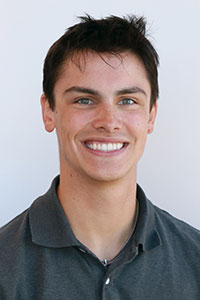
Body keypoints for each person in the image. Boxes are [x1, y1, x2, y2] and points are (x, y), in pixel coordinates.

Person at [0, 15, 199, 300]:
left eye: (127, 100)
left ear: (151, 115)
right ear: (49, 111)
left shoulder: (195, 260)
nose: (109, 121)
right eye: (84, 100)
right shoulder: (4, 266)